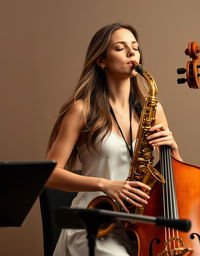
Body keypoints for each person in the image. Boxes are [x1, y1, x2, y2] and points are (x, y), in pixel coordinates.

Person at [46, 23, 183, 256]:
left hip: (139, 226)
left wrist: (174, 150)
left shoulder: (153, 109)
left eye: (135, 47)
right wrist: (106, 185)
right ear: (101, 60)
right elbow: (49, 174)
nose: (132, 53)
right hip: (93, 224)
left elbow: (173, 179)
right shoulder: (82, 110)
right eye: (120, 48)